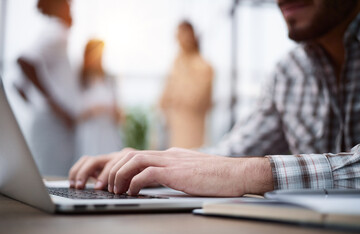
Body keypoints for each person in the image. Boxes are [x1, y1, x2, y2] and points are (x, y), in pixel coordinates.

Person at [69, 0, 360, 196]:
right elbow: (233, 151)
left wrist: (250, 173)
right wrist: (157, 166)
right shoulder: (288, 72)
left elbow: (234, 163)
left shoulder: (205, 68)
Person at [14, 0, 79, 176]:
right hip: (53, 123)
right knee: (53, 175)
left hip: (48, 120)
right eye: (70, 7)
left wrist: (38, 105)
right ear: (59, 6)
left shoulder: (48, 33)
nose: (72, 12)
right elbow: (24, 61)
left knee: (47, 172)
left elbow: (18, 85)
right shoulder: (57, 31)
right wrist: (56, 107)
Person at [159, 21, 213, 149]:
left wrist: (175, 97)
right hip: (174, 127)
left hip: (193, 127)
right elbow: (164, 97)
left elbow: (197, 100)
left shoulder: (203, 66)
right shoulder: (176, 64)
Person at [75, 39, 123, 160]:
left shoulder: (109, 78)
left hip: (108, 133)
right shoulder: (79, 79)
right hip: (89, 134)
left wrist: (115, 112)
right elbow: (75, 112)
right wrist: (94, 110)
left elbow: (119, 113)